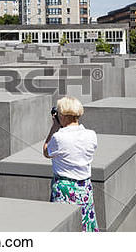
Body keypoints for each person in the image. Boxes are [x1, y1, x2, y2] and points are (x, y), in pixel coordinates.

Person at [43, 96, 99, 232]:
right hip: (85, 188)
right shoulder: (91, 135)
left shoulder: (58, 137)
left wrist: (54, 127)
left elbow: (46, 151)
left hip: (64, 189)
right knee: (85, 226)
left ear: (62, 116)